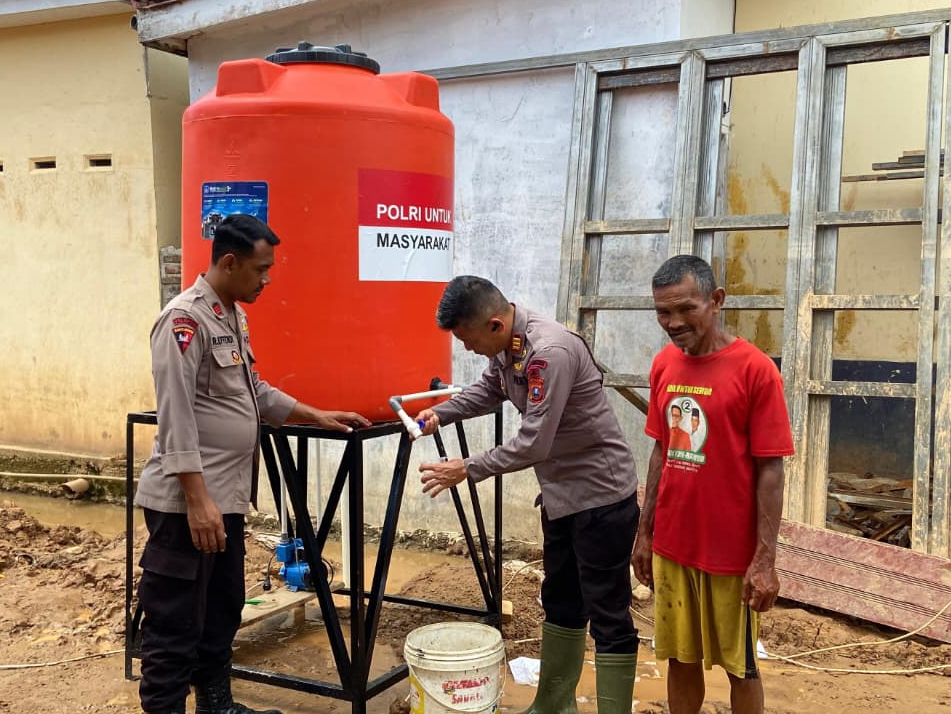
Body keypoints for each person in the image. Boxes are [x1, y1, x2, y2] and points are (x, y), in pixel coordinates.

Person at [134, 214, 370, 714]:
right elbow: (175, 417)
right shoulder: (183, 321)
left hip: (226, 499)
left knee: (222, 609)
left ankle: (216, 704)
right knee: (175, 622)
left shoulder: (231, 315)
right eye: (261, 269)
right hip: (186, 506)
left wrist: (316, 414)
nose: (268, 280)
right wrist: (198, 501)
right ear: (229, 261)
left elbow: (253, 391)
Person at [413, 275, 640, 714]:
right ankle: (554, 704)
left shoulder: (547, 353)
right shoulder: (509, 345)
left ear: (495, 325)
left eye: (467, 338)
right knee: (562, 600)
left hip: (601, 497)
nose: (465, 348)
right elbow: (489, 390)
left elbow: (535, 443)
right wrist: (440, 414)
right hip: (561, 497)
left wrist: (467, 467)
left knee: (608, 613)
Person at [632, 255, 794, 714]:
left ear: (717, 300)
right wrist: (645, 535)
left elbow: (771, 470)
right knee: (680, 660)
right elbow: (662, 451)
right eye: (664, 312)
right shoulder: (664, 365)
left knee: (740, 666)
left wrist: (765, 560)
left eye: (686, 309)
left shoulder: (756, 370)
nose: (674, 322)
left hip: (730, 556)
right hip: (674, 546)